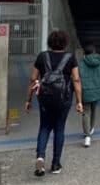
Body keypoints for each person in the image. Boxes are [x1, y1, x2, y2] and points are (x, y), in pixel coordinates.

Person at [25, 30, 83, 177]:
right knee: (59, 128)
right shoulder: (70, 58)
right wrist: (79, 101)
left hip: (45, 99)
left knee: (44, 126)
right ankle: (56, 163)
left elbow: (33, 79)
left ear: (50, 43)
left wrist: (28, 99)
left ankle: (40, 156)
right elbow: (76, 80)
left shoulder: (42, 56)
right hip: (63, 99)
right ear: (65, 43)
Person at [78, 43, 100, 148]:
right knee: (93, 109)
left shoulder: (80, 63)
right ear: (94, 51)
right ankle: (91, 128)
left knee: (86, 112)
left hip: (86, 91)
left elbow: (76, 78)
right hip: (97, 90)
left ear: (84, 52)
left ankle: (87, 136)